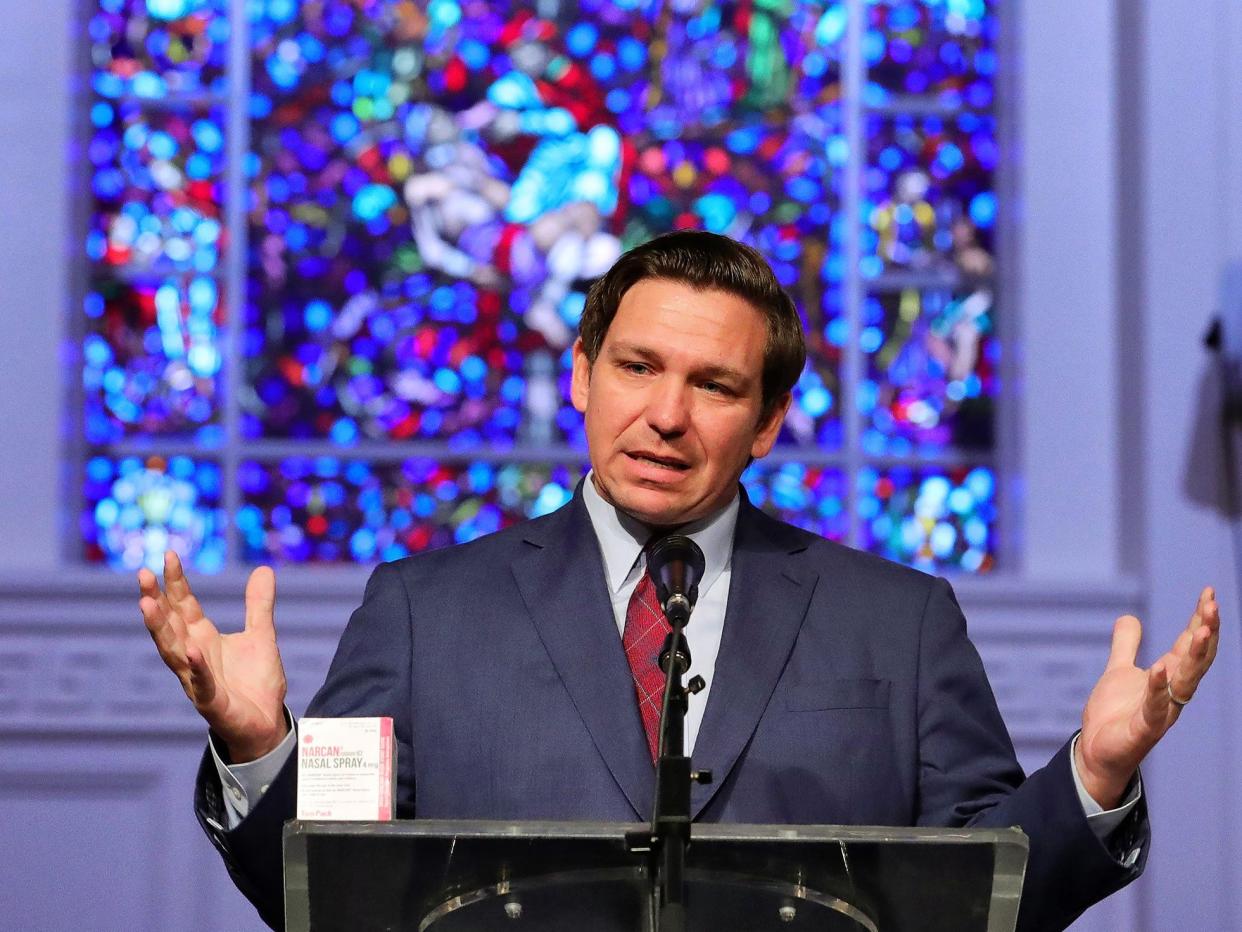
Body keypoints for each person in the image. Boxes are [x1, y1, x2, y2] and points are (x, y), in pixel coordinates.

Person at [139, 231, 1220, 932]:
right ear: (580, 373)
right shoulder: (421, 609)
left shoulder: (901, 620)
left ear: (769, 421)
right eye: (637, 366)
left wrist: (1095, 772)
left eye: (714, 384)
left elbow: (997, 891)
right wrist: (255, 744)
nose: (667, 413)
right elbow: (332, 887)